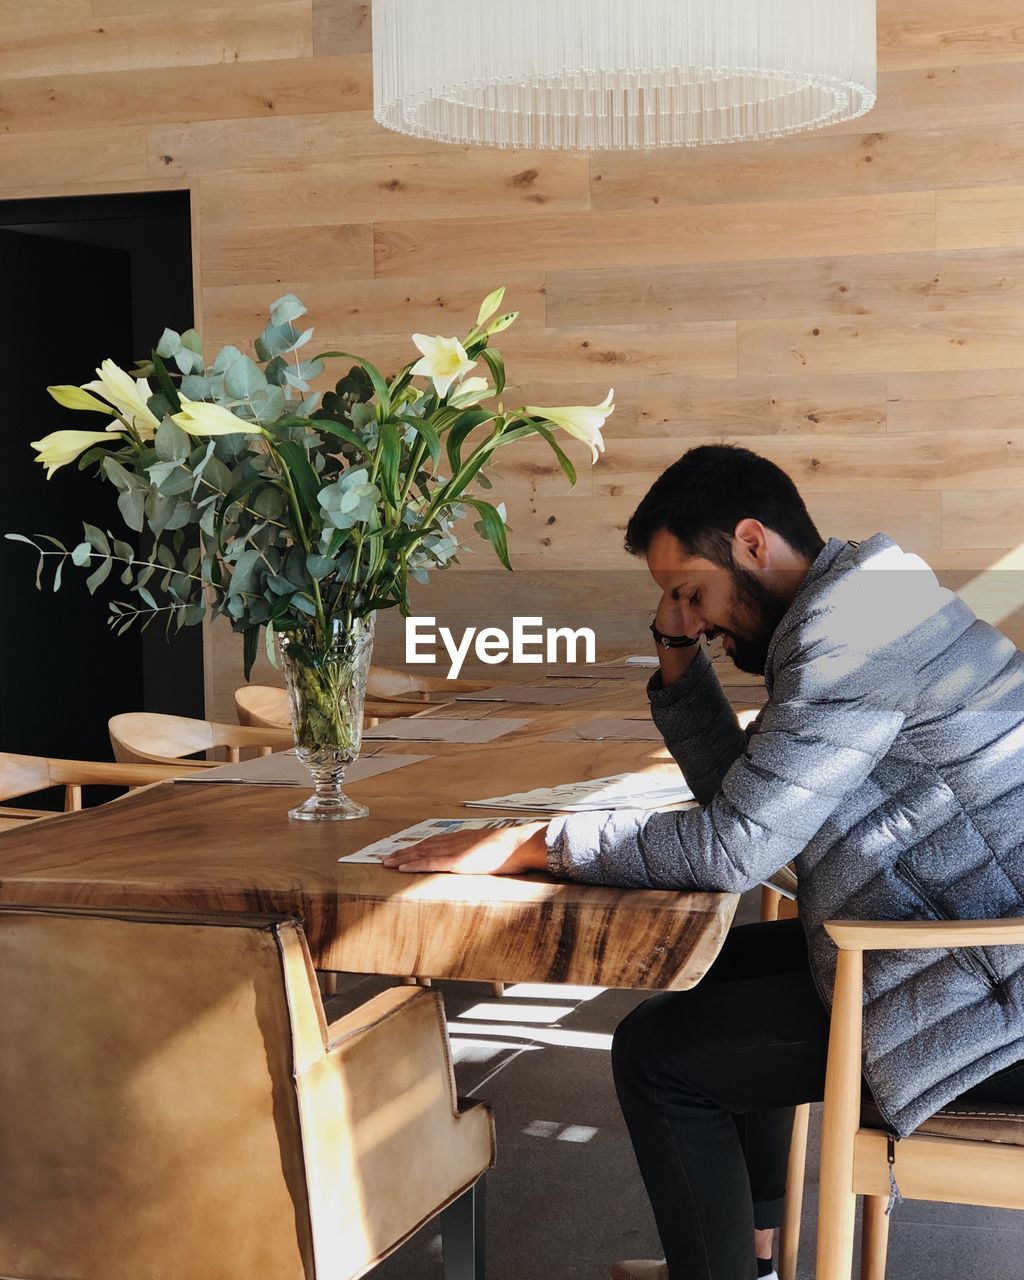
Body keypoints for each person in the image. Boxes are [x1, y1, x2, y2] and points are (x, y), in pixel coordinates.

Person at [382, 444, 1024, 1280]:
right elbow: (747, 806)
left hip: (991, 995)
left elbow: (733, 849)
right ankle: (747, 1253)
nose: (691, 614)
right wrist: (677, 657)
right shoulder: (866, 601)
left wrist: (532, 843)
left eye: (691, 592)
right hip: (953, 945)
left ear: (752, 543)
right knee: (710, 970)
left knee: (657, 1058)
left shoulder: (852, 633)